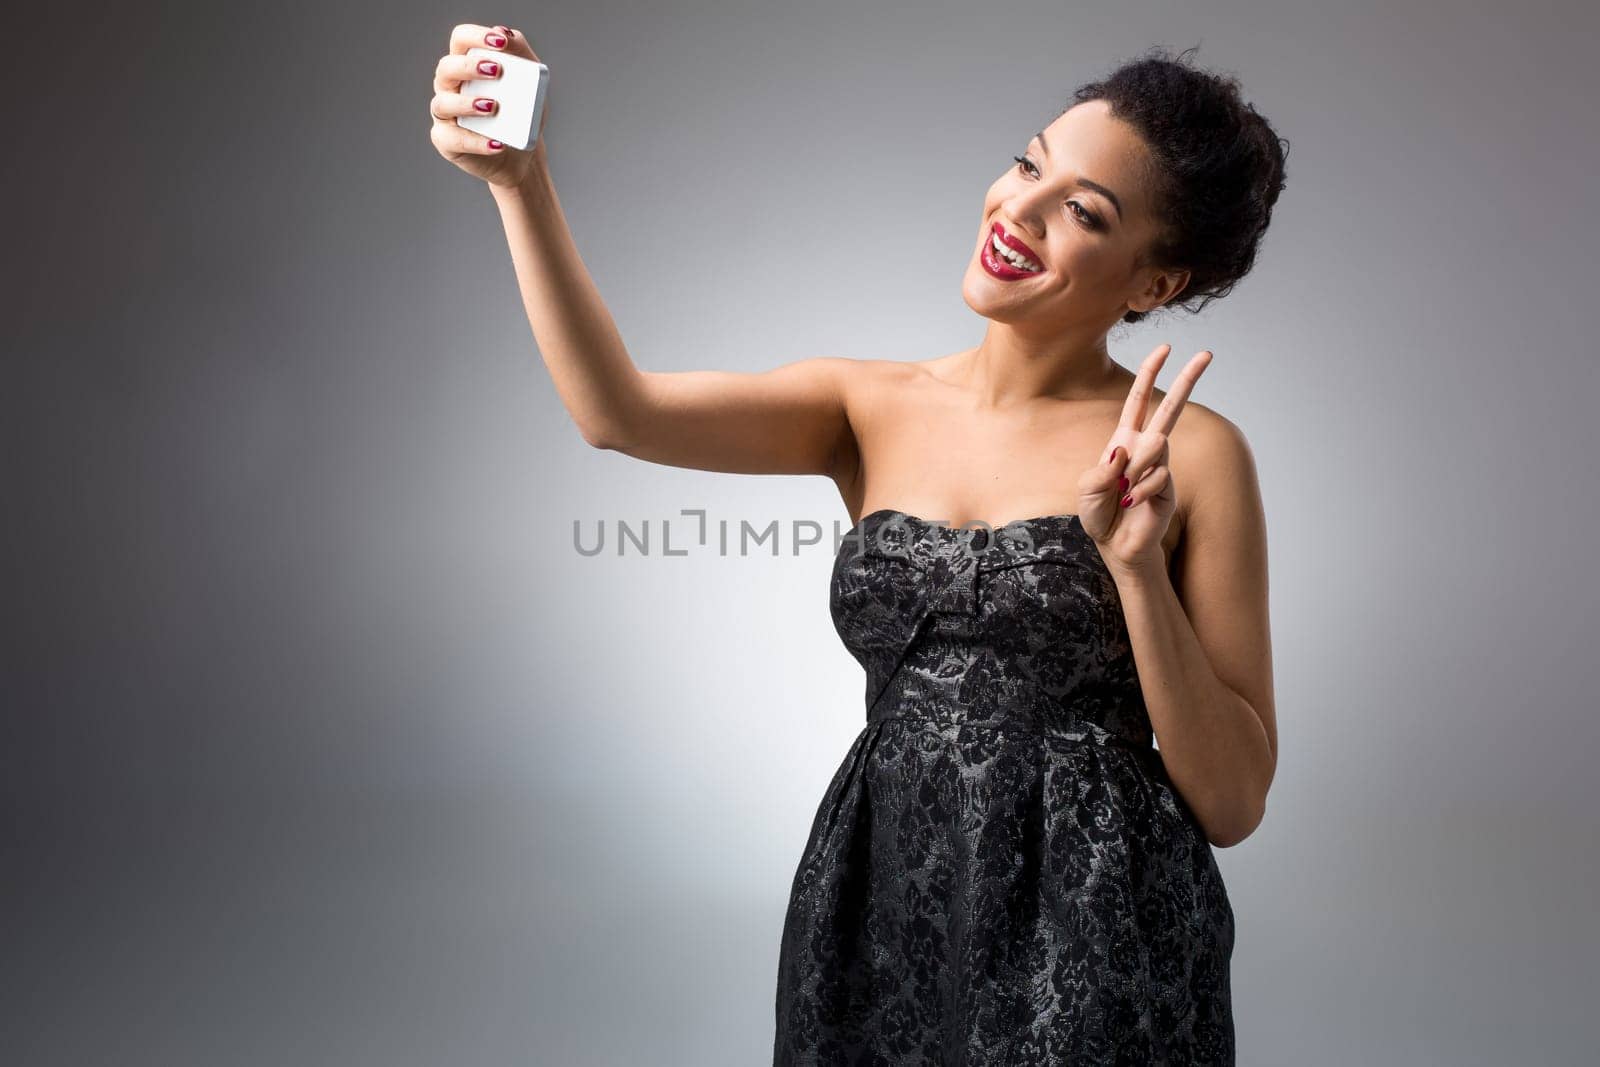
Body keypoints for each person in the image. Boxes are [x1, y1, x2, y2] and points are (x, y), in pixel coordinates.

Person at [430, 25, 1286, 1065]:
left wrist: (1136, 569)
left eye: (1080, 211)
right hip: (881, 886)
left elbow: (1233, 799)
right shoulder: (865, 405)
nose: (1015, 210)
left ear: (1150, 284)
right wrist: (519, 183)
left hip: (1100, 918)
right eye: (1027, 163)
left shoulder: (1192, 455)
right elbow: (617, 410)